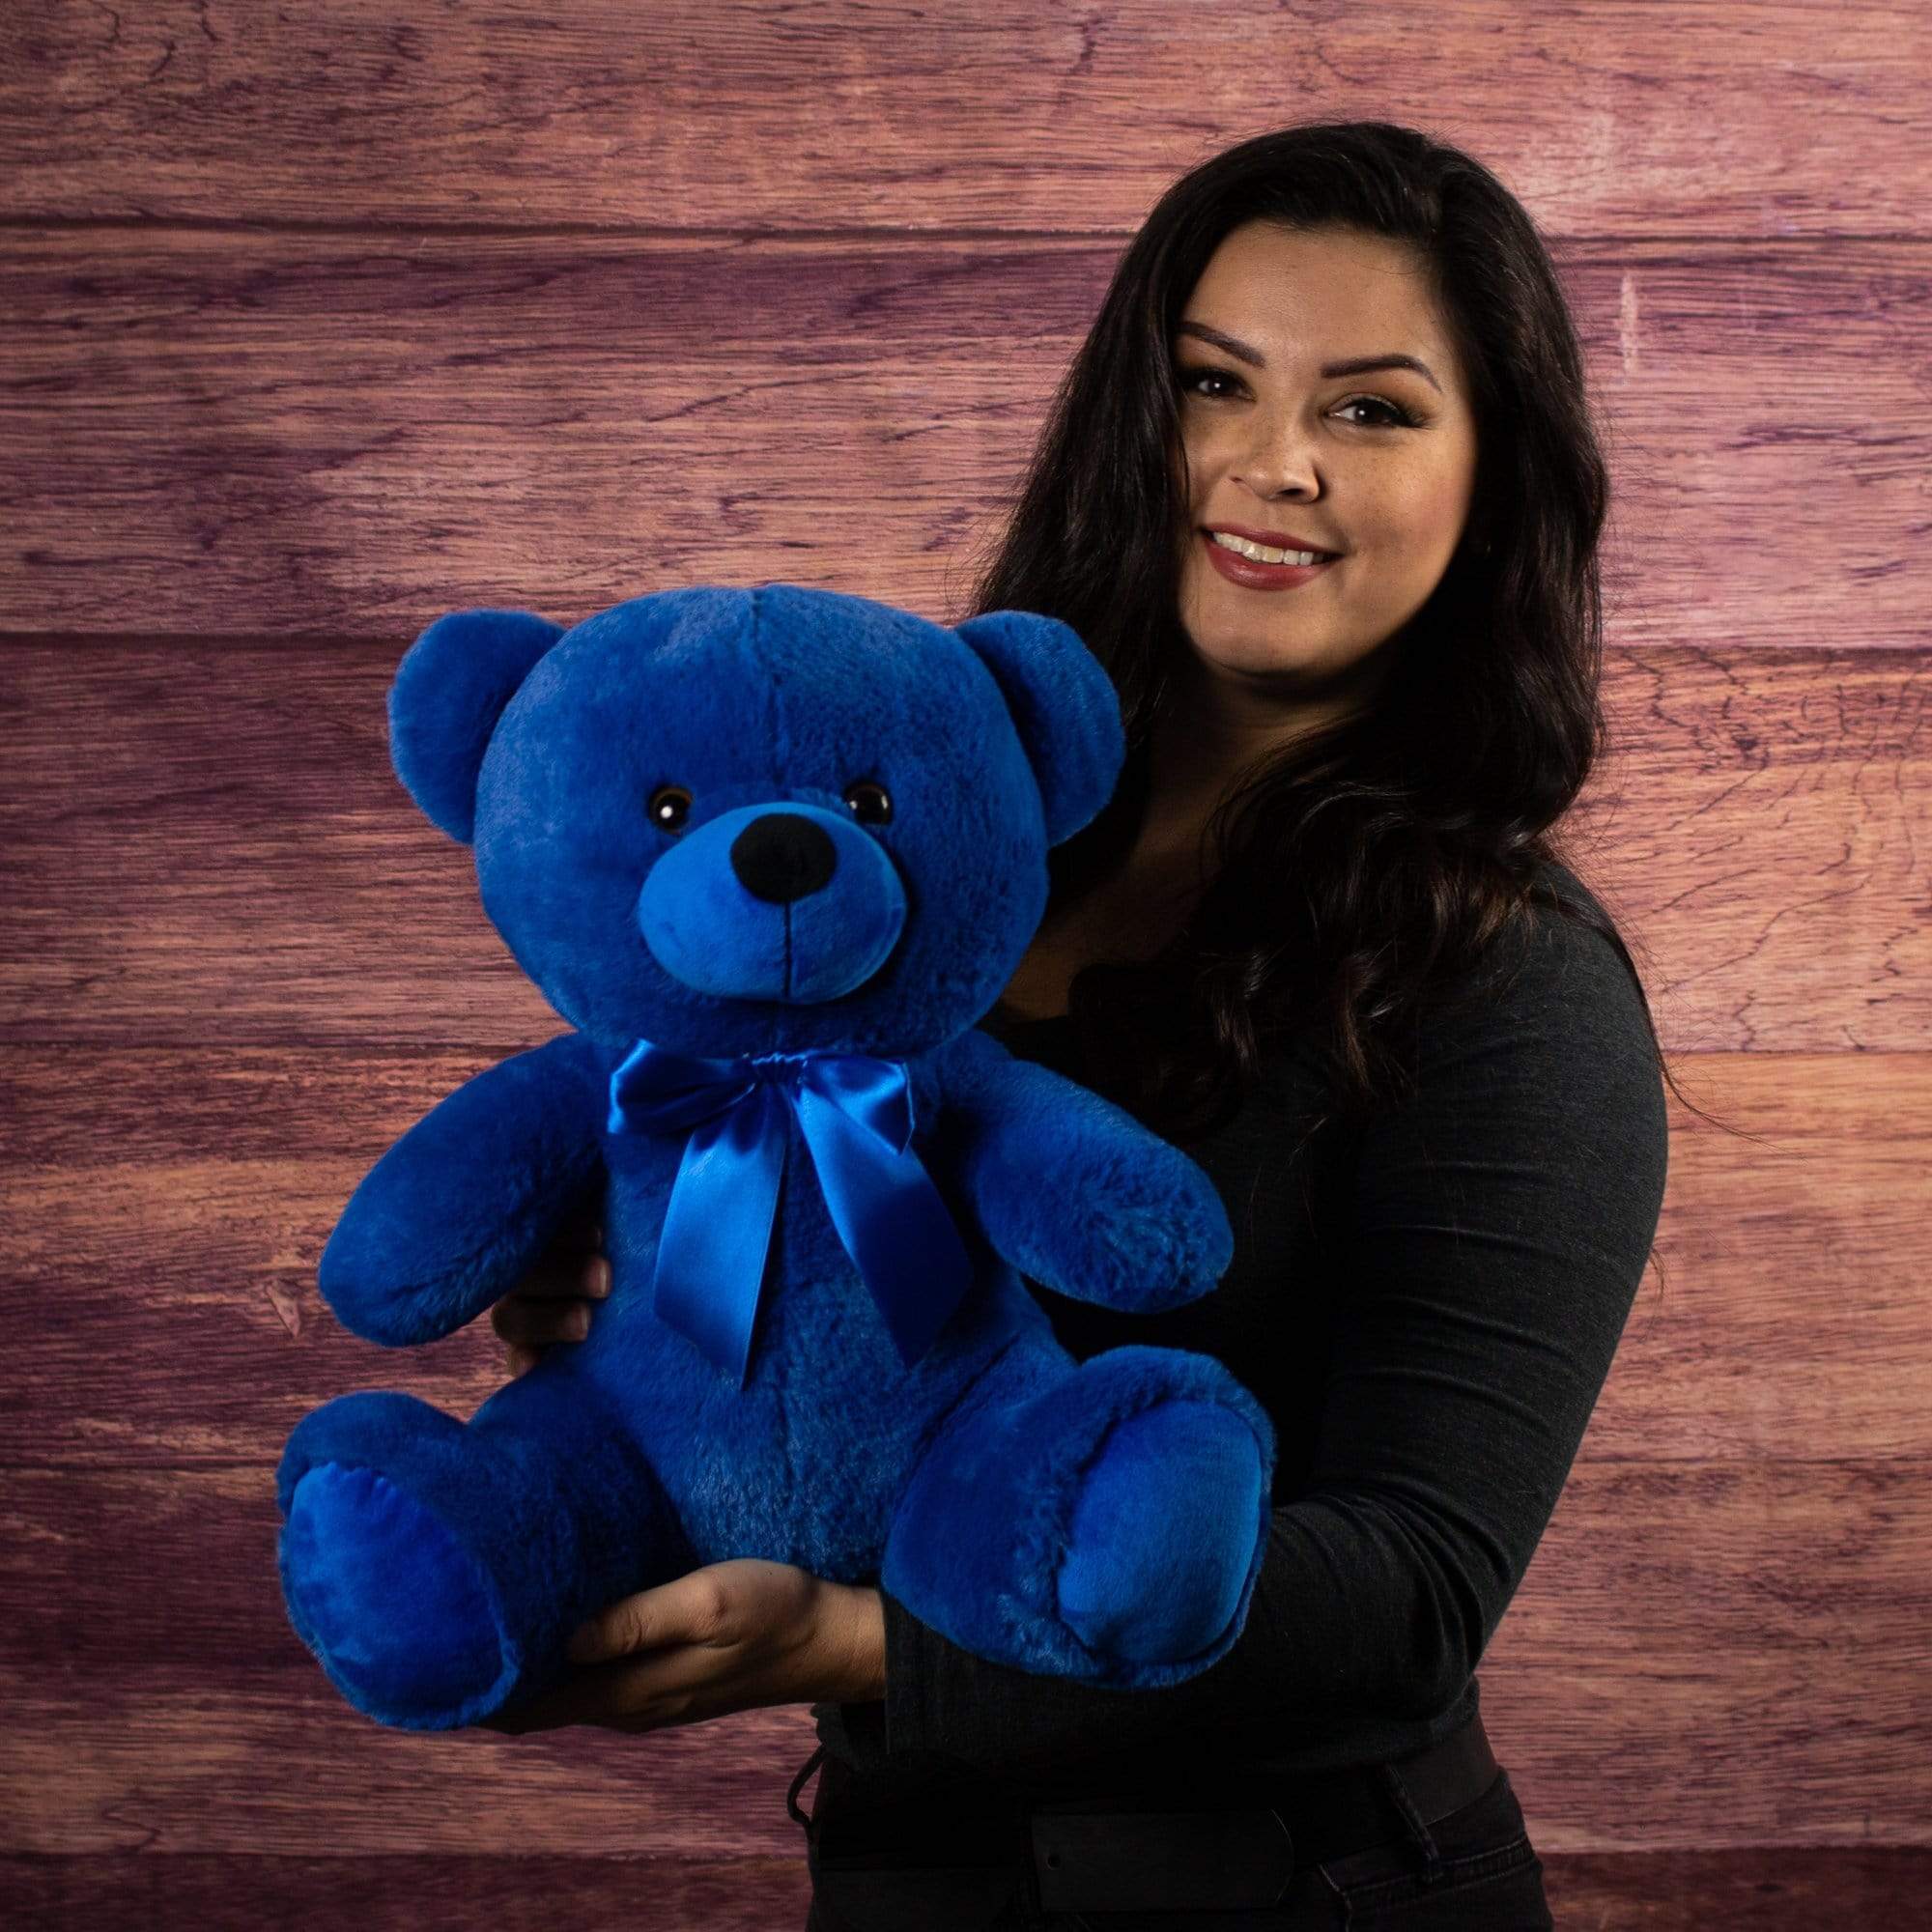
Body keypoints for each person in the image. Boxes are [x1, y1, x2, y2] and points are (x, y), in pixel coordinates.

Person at [478, 121, 1689, 1929]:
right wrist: (625, 1294)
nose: (1274, 466)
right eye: (1216, 384)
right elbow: (835, 1324)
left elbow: (1416, 1585)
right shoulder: (929, 870)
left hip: (1307, 1888)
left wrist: (880, 1647)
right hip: (911, 1878)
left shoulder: (1509, 972)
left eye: (1373, 410)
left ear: (1495, 480)